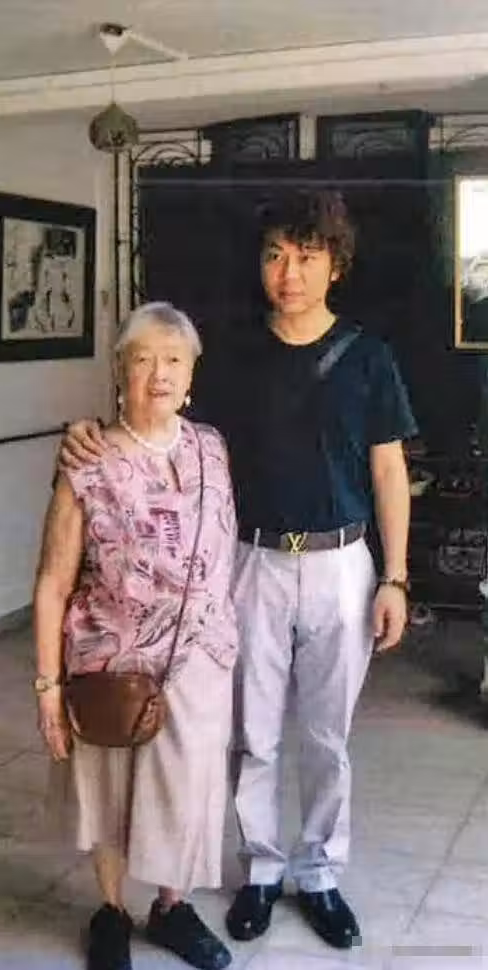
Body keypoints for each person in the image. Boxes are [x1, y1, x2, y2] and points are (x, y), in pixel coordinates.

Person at [58, 190, 417, 951]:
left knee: (326, 735)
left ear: (335, 265)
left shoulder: (369, 357)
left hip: (342, 562)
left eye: (307, 257)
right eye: (275, 255)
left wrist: (396, 577)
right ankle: (260, 869)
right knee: (253, 734)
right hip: (249, 563)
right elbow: (158, 412)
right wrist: (87, 428)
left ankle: (319, 874)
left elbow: (389, 471)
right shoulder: (227, 352)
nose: (289, 273)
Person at [33, 301, 238, 970]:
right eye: (143, 359)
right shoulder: (87, 461)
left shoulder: (212, 447)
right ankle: (112, 911)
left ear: (192, 373)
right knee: (112, 792)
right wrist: (48, 687)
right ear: (119, 370)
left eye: (173, 359)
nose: (159, 374)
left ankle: (172, 908)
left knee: (187, 787)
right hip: (110, 659)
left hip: (200, 657)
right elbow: (52, 582)